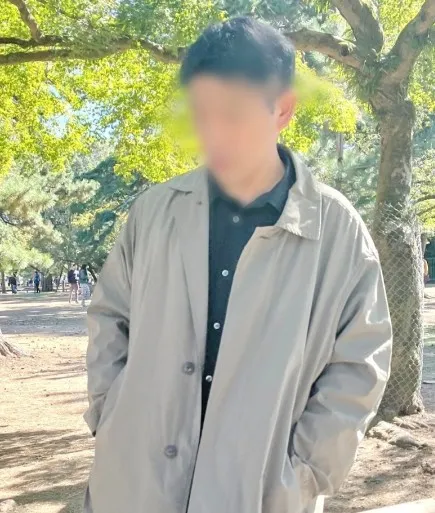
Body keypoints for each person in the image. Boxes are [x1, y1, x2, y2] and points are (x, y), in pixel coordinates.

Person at [84, 17, 392, 513]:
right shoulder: (154, 212)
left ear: (283, 109)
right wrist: (110, 413)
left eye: (232, 113)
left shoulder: (337, 232)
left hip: (261, 494)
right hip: (134, 484)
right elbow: (109, 318)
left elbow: (359, 365)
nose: (214, 133)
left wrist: (305, 473)